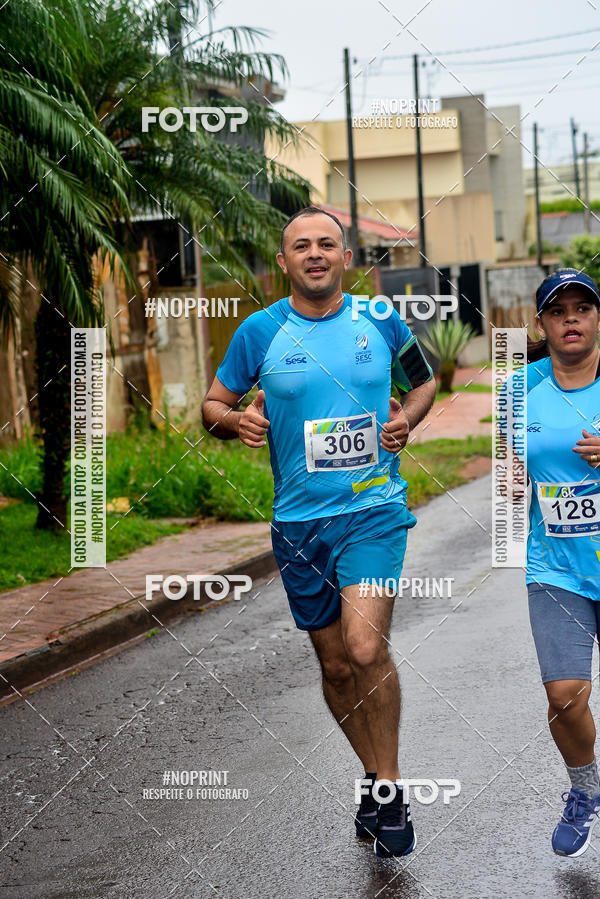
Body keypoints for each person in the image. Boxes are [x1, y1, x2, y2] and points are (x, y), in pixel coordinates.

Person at [201, 206, 436, 857]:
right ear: (284, 262)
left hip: (373, 511)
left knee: (364, 646)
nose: (314, 253)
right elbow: (212, 405)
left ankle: (391, 790)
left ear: (345, 258)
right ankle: (372, 772)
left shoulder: (381, 319)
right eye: (301, 245)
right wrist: (235, 421)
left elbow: (424, 382)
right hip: (299, 524)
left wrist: (407, 420)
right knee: (334, 665)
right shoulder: (258, 331)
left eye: (326, 244)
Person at [521, 268, 600, 856]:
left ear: (597, 318)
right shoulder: (518, 388)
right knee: (565, 695)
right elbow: (506, 473)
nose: (570, 318)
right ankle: (586, 787)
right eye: (557, 311)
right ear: (541, 324)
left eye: (582, 308)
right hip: (556, 566)